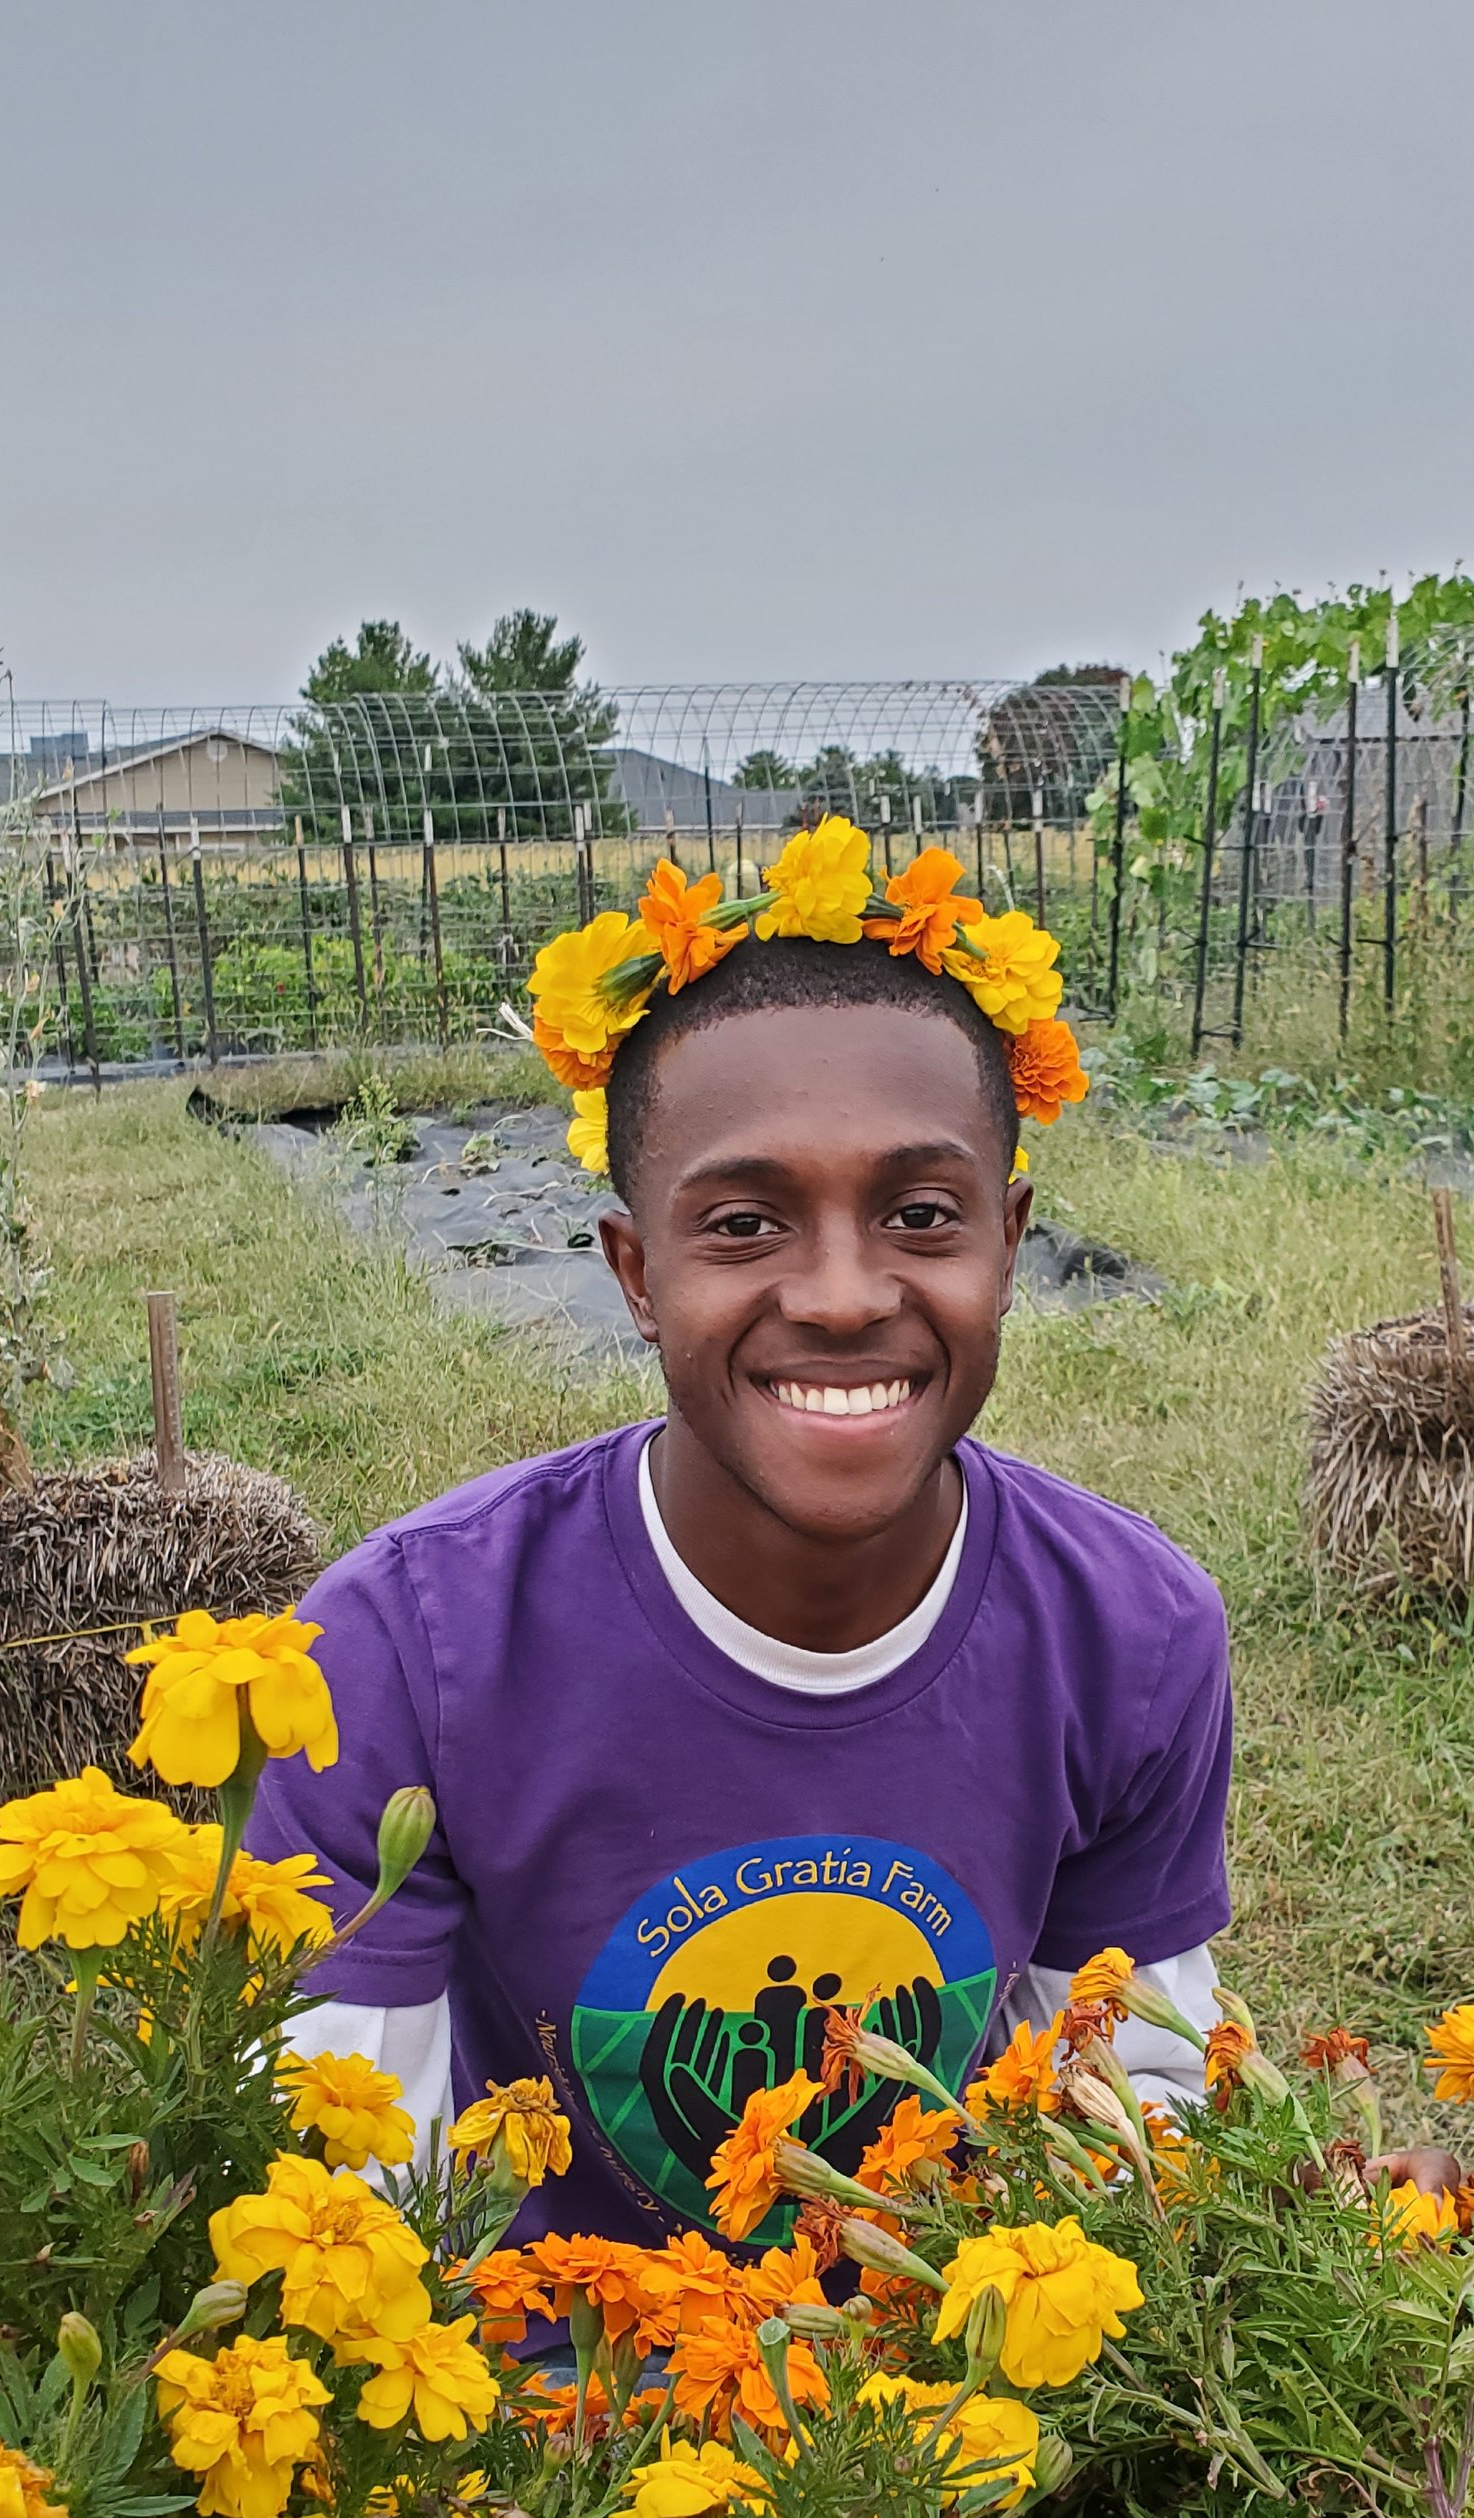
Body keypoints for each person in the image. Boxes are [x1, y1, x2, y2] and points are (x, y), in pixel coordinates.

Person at [250, 817, 1232, 2252]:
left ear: (1008, 1242)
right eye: (745, 1224)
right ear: (636, 1273)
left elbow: (1133, 2099)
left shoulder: (1131, 1639)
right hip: (547, 2431)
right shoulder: (405, 1654)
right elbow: (351, 2194)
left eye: (918, 1210)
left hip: (941, 2408)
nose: (842, 1293)